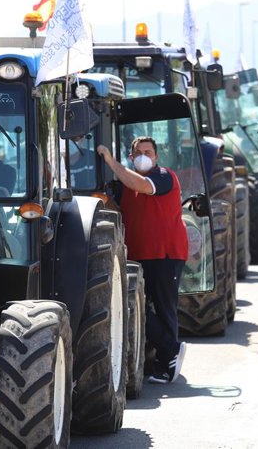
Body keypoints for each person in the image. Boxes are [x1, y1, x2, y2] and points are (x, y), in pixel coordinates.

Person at [96, 136, 188, 384]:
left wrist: (108, 159)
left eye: (148, 151)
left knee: (163, 308)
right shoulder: (126, 186)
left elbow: (141, 185)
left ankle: (169, 358)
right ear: (131, 156)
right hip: (139, 255)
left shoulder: (163, 176)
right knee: (140, 309)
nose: (143, 155)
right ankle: (163, 355)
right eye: (138, 152)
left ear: (156, 157)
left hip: (165, 253)